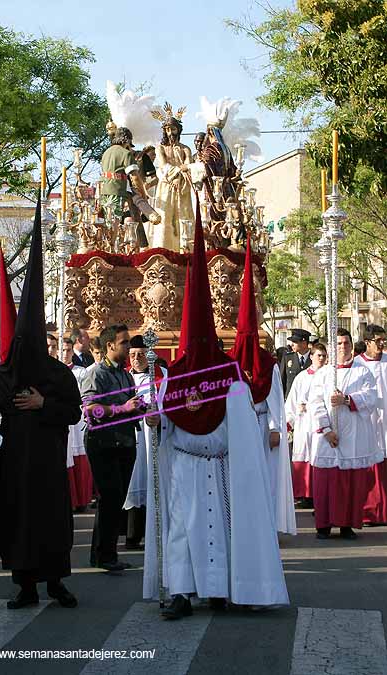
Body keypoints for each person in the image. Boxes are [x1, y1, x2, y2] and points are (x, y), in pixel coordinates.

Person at [143, 205, 289, 619]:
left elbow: (241, 424)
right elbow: (163, 419)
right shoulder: (172, 377)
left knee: (223, 528)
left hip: (222, 464)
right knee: (183, 531)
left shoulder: (230, 375)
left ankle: (222, 588)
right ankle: (182, 593)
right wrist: (156, 422)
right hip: (186, 464)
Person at [0, 199, 81, 609]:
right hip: (15, 462)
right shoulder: (3, 374)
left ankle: (56, 583)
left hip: (49, 461)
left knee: (52, 521)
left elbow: (73, 412)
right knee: (19, 521)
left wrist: (43, 404)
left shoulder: (59, 374)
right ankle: (25, 585)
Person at [227, 237, 295, 535]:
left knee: (264, 478)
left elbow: (276, 400)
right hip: (236, 427)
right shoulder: (227, 364)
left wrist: (276, 428)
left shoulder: (268, 365)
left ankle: (264, 525)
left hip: (259, 424)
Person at [309, 328, 382, 539]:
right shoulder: (323, 373)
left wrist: (347, 400)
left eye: (346, 343)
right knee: (326, 483)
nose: (343, 347)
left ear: (351, 345)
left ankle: (347, 525)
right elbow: (315, 403)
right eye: (339, 344)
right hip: (327, 438)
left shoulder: (363, 371)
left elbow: (370, 397)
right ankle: (323, 526)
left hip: (354, 436)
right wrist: (327, 430)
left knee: (351, 484)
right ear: (332, 347)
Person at [82, 324, 142, 572]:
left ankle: (106, 553)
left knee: (116, 499)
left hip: (125, 440)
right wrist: (122, 409)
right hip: (103, 442)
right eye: (124, 342)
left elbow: (130, 405)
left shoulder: (125, 375)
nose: (128, 347)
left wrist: (140, 408)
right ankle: (104, 554)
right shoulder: (97, 374)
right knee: (110, 496)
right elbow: (90, 409)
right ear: (110, 346)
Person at [123, 335, 168, 549]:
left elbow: (169, 404)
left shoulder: (162, 377)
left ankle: (157, 533)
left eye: (140, 354)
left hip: (155, 436)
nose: (136, 359)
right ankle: (132, 536)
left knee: (154, 480)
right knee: (134, 480)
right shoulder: (124, 378)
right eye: (132, 355)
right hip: (132, 436)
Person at [285, 343, 327, 507]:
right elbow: (292, 400)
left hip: (322, 423)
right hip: (304, 423)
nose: (322, 359)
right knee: (304, 453)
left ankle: (319, 493)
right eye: (318, 355)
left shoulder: (330, 375)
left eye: (324, 355)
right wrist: (290, 419)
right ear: (311, 357)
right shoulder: (302, 377)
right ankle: (304, 494)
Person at [354, 325, 387, 525]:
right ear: (367, 342)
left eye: (384, 340)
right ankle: (368, 511)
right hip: (366, 420)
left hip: (386, 420)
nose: (382, 344)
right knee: (368, 466)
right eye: (378, 340)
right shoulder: (357, 365)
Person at [149, 104, 194, 250]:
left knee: (184, 216)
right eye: (167, 129)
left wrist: (181, 171)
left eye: (173, 129)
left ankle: (186, 249)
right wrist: (178, 171)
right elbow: (163, 167)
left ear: (178, 130)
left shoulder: (185, 148)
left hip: (183, 187)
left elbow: (190, 166)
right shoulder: (160, 148)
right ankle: (164, 249)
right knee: (166, 217)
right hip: (166, 187)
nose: (170, 133)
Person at [62, 338, 93, 513]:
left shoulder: (82, 372)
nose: (65, 353)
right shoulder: (55, 371)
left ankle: (81, 498)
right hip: (64, 420)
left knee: (79, 456)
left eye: (68, 350)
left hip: (78, 419)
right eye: (63, 350)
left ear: (73, 351)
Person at [280, 329, 312, 398]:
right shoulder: (287, 358)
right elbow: (282, 382)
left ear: (304, 343)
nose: (291, 345)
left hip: (309, 401)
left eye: (295, 342)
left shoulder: (314, 358)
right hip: (291, 401)